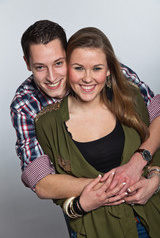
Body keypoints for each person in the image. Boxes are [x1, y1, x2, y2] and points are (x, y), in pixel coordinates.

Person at [35, 27, 160, 238]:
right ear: (66, 68)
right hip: (96, 229)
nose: (87, 78)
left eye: (96, 68)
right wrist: (80, 205)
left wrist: (155, 180)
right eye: (78, 68)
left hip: (151, 218)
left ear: (109, 69)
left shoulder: (131, 98)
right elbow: (51, 183)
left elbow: (155, 148)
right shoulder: (48, 123)